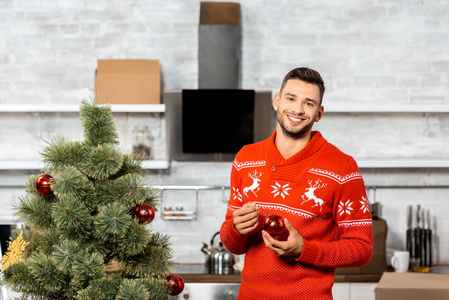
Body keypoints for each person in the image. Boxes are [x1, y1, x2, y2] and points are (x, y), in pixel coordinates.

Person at [220, 67, 373, 300]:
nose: (298, 109)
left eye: (309, 103)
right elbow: (234, 245)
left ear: (319, 113)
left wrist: (304, 249)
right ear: (277, 101)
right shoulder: (246, 159)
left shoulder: (342, 167)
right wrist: (235, 228)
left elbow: (362, 249)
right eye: (291, 98)